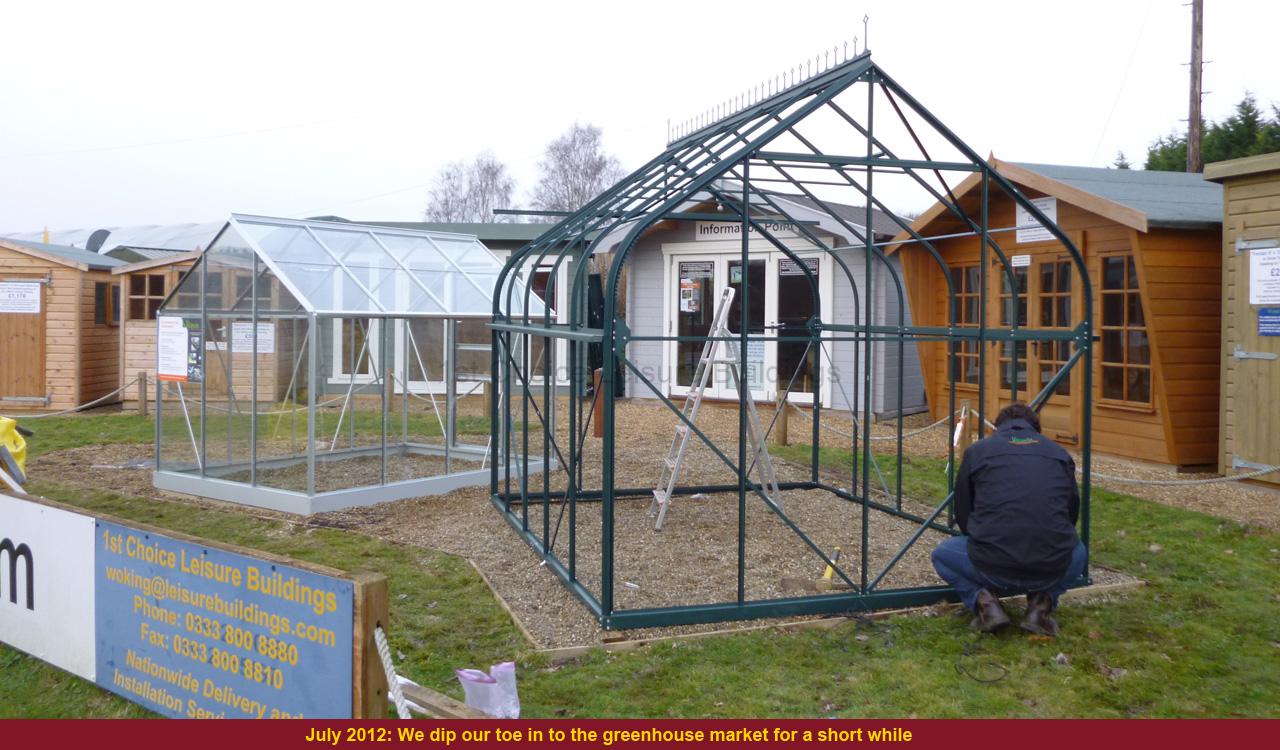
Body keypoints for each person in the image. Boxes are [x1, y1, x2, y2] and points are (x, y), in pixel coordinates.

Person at [931, 402, 1087, 636]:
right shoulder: (1059, 454)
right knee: (1079, 553)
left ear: (997, 427)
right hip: (1050, 564)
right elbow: (1071, 510)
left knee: (942, 555)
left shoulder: (978, 451)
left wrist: (978, 538)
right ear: (1036, 428)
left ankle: (985, 604)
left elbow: (963, 508)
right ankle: (1041, 606)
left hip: (991, 563)